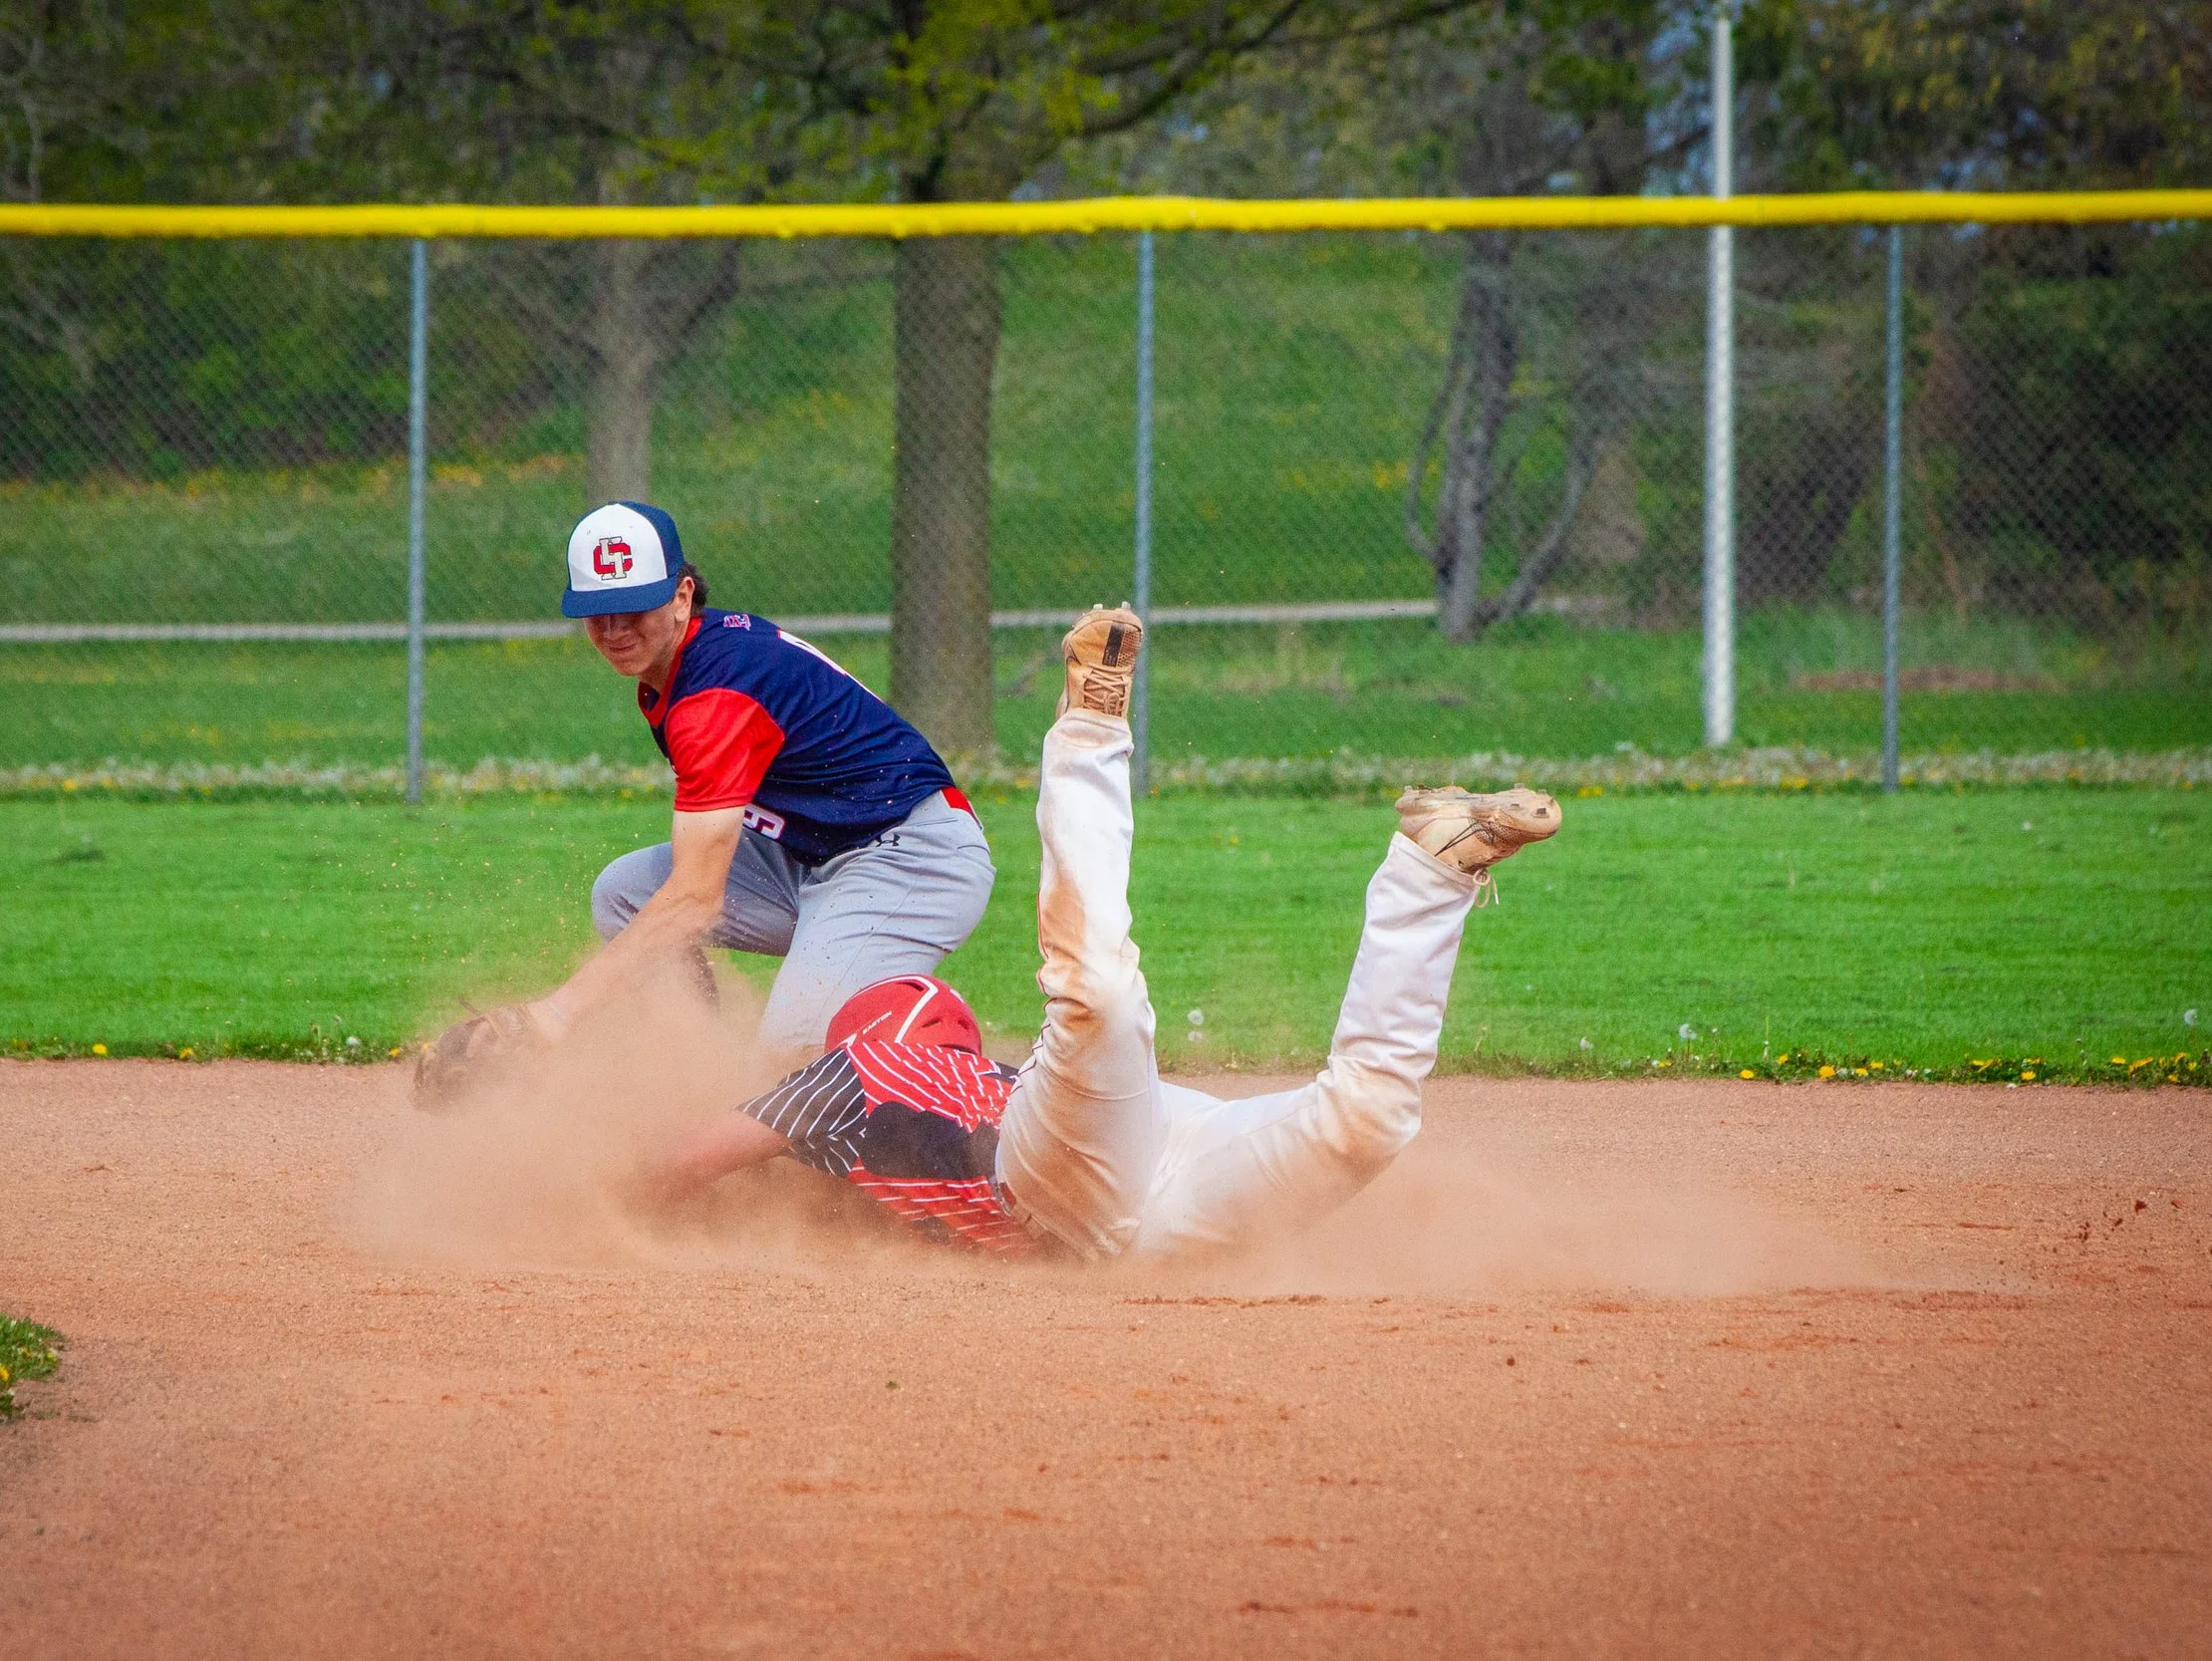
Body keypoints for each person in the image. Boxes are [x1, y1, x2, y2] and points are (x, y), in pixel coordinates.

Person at [634, 605, 1564, 1261]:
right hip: (1156, 1186)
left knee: (1100, 999)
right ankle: (1432, 871)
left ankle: (1087, 729)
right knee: (1367, 1118)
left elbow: (685, 1162)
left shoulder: (855, 1079)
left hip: (1064, 1180)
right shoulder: (898, 1093)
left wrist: (581, 1205)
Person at [415, 501, 993, 1108]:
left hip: (911, 857)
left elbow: (696, 898)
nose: (614, 630)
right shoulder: (686, 663)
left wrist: (554, 1016)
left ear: (682, 595)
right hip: (814, 854)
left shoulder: (715, 694)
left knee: (786, 1055)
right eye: (596, 614)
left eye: (633, 608)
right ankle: (700, 1069)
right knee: (623, 891)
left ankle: (945, 1119)